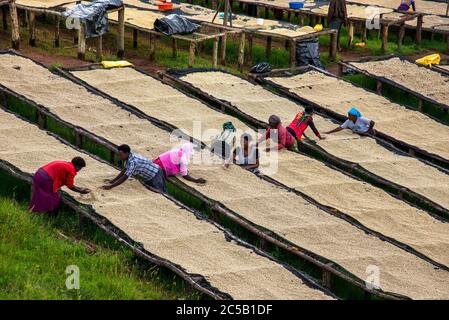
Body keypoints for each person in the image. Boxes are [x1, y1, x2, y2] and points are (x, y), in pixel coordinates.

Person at [102, 144, 167, 193]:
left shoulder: (132, 162)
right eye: (119, 154)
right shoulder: (129, 158)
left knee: (160, 192)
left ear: (126, 153)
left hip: (155, 173)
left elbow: (125, 176)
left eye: (121, 154)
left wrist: (111, 186)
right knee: (154, 190)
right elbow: (124, 170)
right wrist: (112, 181)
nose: (119, 156)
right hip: (151, 174)